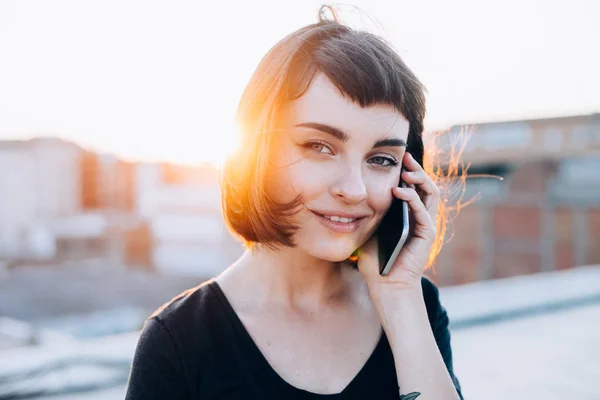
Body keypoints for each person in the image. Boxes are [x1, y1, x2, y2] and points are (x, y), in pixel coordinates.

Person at [125, 6, 463, 400]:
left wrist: (399, 297)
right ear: (258, 151)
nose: (353, 190)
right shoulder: (180, 341)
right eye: (320, 147)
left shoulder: (415, 306)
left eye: (381, 159)